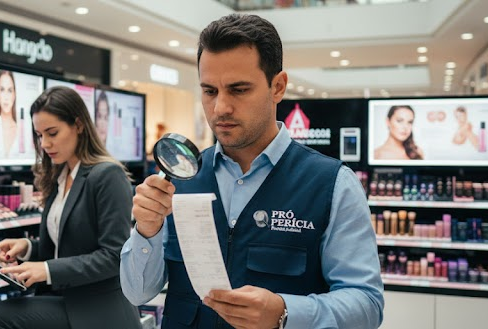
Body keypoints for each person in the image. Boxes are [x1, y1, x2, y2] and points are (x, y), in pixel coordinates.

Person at [121, 14, 383, 329]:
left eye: (239, 89)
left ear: (278, 87)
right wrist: (146, 231)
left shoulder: (332, 184)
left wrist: (286, 312)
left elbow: (367, 304)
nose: (220, 108)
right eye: (210, 91)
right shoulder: (179, 179)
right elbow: (138, 292)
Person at [0, 86, 141, 329]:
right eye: (39, 135)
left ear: (78, 125)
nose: (45, 143)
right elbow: (68, 248)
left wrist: (46, 270)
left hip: (98, 309)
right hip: (66, 299)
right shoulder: (61, 176)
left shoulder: (108, 175)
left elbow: (113, 256)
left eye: (52, 133)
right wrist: (27, 248)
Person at [0, 70, 34, 160]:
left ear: (14, 94)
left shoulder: (25, 128)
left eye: (10, 90)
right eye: (2, 90)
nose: (6, 97)